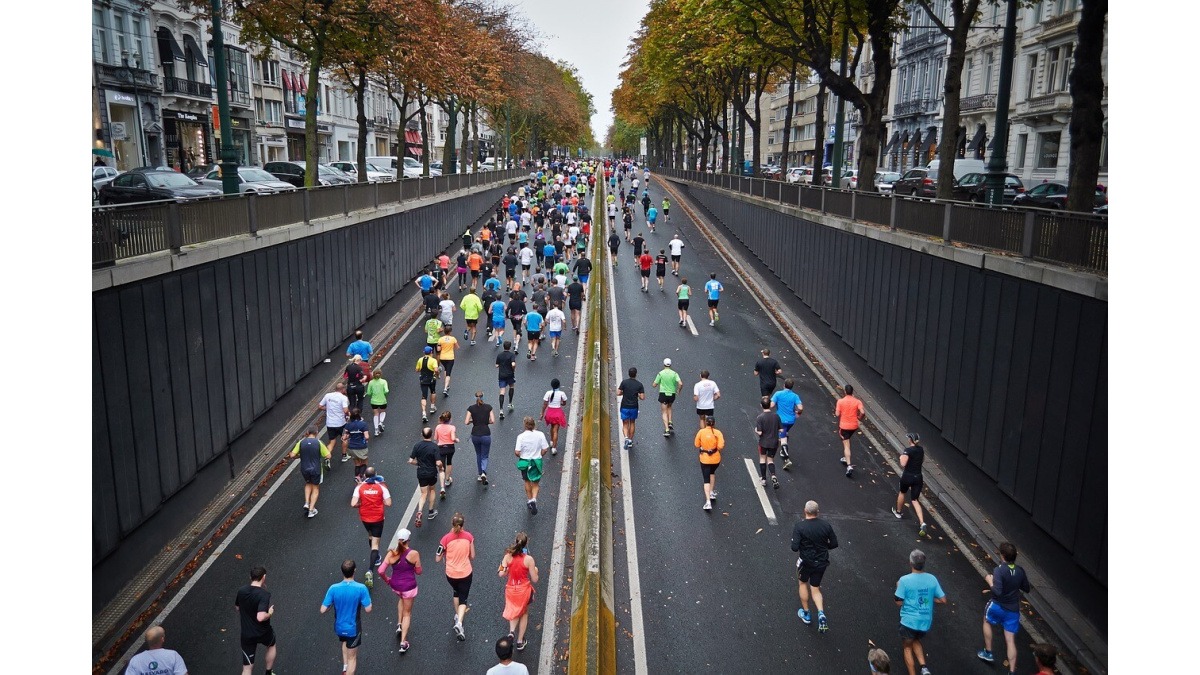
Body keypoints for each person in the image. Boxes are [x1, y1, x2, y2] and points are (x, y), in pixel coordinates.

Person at [977, 542, 1032, 673]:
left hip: (997, 605)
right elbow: (1027, 588)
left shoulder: (999, 570)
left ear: (1002, 555)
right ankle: (1012, 671)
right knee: (1010, 640)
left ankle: (988, 652)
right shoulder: (1020, 571)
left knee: (986, 620)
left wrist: (990, 581)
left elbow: (997, 591)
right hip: (1012, 610)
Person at [895, 549, 947, 675]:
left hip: (909, 622)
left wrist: (898, 587)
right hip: (925, 622)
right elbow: (943, 600)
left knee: (907, 647)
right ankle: (924, 668)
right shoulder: (932, 579)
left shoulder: (904, 580)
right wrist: (929, 599)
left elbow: (898, 602)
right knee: (916, 640)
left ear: (910, 563)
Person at [791, 500, 838, 632]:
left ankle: (806, 614)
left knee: (802, 583)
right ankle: (821, 613)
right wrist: (824, 547)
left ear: (805, 511)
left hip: (806, 562)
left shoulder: (800, 527)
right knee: (815, 588)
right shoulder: (826, 526)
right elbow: (834, 544)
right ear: (818, 512)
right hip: (821, 562)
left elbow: (794, 547)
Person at [320, 560, 372, 675]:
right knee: (352, 658)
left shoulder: (333, 588)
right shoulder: (361, 588)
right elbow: (368, 609)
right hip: (353, 629)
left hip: (339, 628)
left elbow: (323, 609)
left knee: (344, 642)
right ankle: (348, 670)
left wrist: (333, 603)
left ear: (342, 571)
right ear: (354, 570)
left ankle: (345, 668)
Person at [378, 529, 421, 653]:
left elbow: (381, 571)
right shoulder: (414, 554)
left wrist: (387, 580)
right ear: (408, 540)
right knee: (407, 613)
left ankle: (399, 624)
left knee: (401, 599)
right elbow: (419, 571)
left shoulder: (391, 553)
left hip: (396, 586)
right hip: (409, 587)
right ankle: (403, 642)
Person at [437, 513, 477, 642]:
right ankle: (459, 623)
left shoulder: (445, 539)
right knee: (463, 599)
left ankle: (457, 615)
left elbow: (437, 558)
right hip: (465, 573)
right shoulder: (469, 537)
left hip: (451, 574)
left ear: (452, 524)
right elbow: (473, 556)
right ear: (463, 524)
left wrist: (445, 553)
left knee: (456, 593)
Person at [499, 532, 540, 651]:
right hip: (524, 591)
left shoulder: (508, 556)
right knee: (524, 612)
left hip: (511, 589)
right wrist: (536, 570)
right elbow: (535, 579)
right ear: (526, 544)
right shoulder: (529, 559)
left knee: (514, 610)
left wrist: (504, 568)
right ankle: (520, 641)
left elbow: (501, 573)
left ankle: (512, 632)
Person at [351, 465, 391, 586]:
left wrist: (361, 505)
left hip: (365, 517)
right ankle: (370, 570)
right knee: (375, 544)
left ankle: (377, 557)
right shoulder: (381, 487)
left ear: (364, 476)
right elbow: (388, 503)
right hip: (378, 518)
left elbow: (353, 504)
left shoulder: (360, 487)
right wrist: (380, 501)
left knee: (370, 536)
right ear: (376, 475)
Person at [236, 566, 277, 675]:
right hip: (263, 632)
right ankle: (268, 672)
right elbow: (260, 617)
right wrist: (270, 613)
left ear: (250, 577)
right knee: (271, 645)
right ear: (264, 577)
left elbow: (237, 607)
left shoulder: (241, 591)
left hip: (247, 634)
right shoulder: (264, 594)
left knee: (247, 668)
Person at [892, 433, 929, 536]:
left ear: (910, 440)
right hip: (918, 477)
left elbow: (903, 464)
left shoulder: (908, 450)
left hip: (908, 476)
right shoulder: (921, 449)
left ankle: (898, 512)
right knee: (915, 500)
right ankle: (922, 522)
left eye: (909, 438)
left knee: (902, 492)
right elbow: (922, 460)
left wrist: (901, 457)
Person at [290, 428, 330, 518]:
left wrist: (299, 456)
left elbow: (292, 455)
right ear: (316, 433)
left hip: (304, 468)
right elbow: (328, 455)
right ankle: (311, 510)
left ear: (307, 433)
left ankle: (307, 503)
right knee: (315, 488)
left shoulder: (301, 442)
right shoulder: (319, 443)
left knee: (308, 483)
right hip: (316, 469)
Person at [515, 416, 549, 514]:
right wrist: (540, 455)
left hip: (525, 461)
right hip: (536, 461)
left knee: (526, 480)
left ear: (524, 425)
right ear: (534, 425)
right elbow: (545, 449)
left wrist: (522, 456)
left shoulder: (521, 437)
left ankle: (529, 500)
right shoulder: (540, 434)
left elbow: (517, 452)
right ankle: (534, 499)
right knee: (535, 483)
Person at [409, 428, 443, 527]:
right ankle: (431, 511)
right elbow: (438, 462)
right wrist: (441, 467)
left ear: (422, 434)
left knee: (423, 493)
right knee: (432, 490)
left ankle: (419, 511)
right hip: (432, 472)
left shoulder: (417, 446)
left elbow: (411, 460)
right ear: (431, 435)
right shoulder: (434, 447)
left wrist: (418, 463)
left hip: (421, 472)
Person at [770, 378, 803, 471]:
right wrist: (798, 413)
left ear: (784, 385)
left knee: (783, 438)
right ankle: (783, 446)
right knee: (785, 433)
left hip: (781, 420)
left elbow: (772, 405)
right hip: (791, 420)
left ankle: (786, 458)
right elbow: (800, 407)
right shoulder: (795, 396)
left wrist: (765, 406)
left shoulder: (778, 394)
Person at [694, 415, 724, 511]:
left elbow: (696, 444)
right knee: (712, 473)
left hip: (705, 459)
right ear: (714, 423)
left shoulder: (701, 432)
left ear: (706, 423)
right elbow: (720, 446)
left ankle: (708, 502)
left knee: (706, 479)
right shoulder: (718, 433)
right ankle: (711, 492)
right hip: (715, 459)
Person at [835, 384, 866, 478]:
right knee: (847, 441)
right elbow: (863, 412)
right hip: (854, 426)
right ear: (852, 392)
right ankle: (845, 458)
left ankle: (848, 465)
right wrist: (859, 417)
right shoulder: (857, 401)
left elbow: (837, 414)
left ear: (845, 391)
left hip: (844, 426)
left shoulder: (840, 401)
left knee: (846, 445)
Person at [465, 391, 495, 484]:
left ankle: (479, 474)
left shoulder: (471, 408)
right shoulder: (488, 407)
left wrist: (473, 420)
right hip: (486, 434)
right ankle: (484, 472)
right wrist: (485, 421)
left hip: (475, 435)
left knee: (478, 454)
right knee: (485, 455)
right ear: (483, 397)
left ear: (475, 398)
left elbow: (466, 422)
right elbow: (492, 421)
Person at [754, 397, 783, 490]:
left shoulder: (760, 417)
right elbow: (781, 429)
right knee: (770, 460)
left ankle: (763, 479)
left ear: (761, 405)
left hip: (763, 442)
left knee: (763, 458)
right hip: (774, 442)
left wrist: (755, 430)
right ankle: (773, 475)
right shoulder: (776, 416)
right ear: (770, 405)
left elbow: (760, 432)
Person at [319, 383, 351, 464]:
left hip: (330, 423)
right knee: (345, 438)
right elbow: (345, 410)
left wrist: (327, 408)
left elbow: (320, 406)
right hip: (341, 423)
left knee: (332, 441)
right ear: (343, 389)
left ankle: (327, 457)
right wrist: (349, 414)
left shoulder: (327, 395)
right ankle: (344, 456)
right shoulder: (343, 398)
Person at [651, 358, 682, 437]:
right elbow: (680, 383)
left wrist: (657, 383)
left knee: (664, 411)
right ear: (670, 364)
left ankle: (667, 429)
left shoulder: (660, 373)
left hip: (663, 393)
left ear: (664, 364)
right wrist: (678, 390)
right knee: (670, 406)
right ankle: (670, 421)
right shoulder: (674, 373)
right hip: (672, 394)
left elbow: (654, 384)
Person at [617, 367, 645, 449]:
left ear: (629, 374)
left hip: (624, 406)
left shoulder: (624, 382)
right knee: (632, 422)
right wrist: (638, 394)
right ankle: (630, 440)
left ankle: (626, 438)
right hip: (634, 407)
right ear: (636, 374)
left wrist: (624, 392)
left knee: (625, 423)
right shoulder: (639, 384)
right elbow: (642, 397)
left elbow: (618, 393)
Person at [433, 410, 458, 497]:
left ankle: (442, 487)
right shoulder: (452, 427)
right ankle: (447, 479)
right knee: (449, 462)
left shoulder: (438, 427)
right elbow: (453, 438)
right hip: (450, 448)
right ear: (450, 419)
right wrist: (456, 440)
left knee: (441, 468)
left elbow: (435, 438)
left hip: (441, 448)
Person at [541, 378, 568, 456]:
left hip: (550, 413)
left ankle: (551, 441)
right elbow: (564, 402)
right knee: (556, 430)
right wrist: (561, 404)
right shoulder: (562, 393)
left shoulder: (548, 393)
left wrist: (542, 413)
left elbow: (545, 404)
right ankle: (554, 448)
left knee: (552, 427)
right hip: (557, 413)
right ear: (559, 385)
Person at [344, 408, 371, 482]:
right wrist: (366, 440)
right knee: (364, 461)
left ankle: (356, 476)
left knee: (357, 463)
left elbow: (345, 436)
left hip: (351, 447)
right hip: (361, 446)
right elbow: (366, 436)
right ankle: (361, 476)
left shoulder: (348, 425)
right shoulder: (363, 424)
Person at [416, 347, 441, 423]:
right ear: (431, 352)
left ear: (424, 352)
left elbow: (417, 370)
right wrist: (437, 374)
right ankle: (432, 407)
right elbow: (436, 370)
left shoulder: (420, 360)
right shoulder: (433, 360)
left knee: (424, 395)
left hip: (423, 379)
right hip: (431, 379)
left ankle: (424, 413)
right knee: (433, 392)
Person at [496, 340, 518, 419]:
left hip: (501, 375)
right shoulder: (511, 355)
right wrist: (514, 369)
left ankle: (501, 410)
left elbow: (496, 365)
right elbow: (513, 364)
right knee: (511, 386)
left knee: (502, 391)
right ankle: (510, 403)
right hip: (510, 375)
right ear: (510, 347)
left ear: (504, 346)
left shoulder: (500, 355)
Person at [437, 326, 459, 397]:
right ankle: (445, 388)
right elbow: (457, 347)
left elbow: (438, 349)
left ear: (444, 332)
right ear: (450, 332)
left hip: (442, 357)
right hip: (450, 357)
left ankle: (447, 384)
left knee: (446, 369)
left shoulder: (440, 339)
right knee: (448, 373)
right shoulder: (453, 339)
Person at [365, 369, 389, 436]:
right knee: (383, 412)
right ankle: (381, 422)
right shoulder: (384, 382)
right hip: (382, 400)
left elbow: (369, 393)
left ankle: (376, 430)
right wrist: (383, 393)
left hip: (374, 401)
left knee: (376, 414)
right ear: (381, 374)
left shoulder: (371, 382)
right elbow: (386, 390)